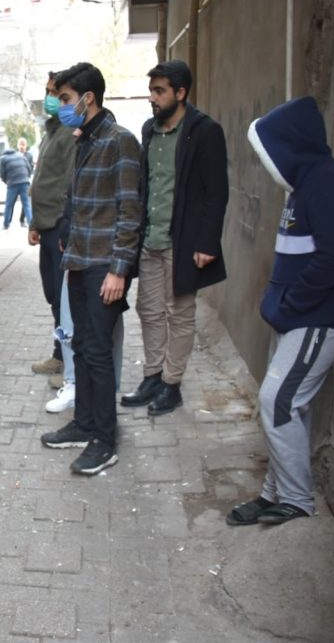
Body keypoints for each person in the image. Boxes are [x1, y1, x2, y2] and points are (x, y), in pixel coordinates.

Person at [227, 97, 334, 527]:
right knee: (284, 404)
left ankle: (297, 500)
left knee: (276, 399)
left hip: (318, 318)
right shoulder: (303, 185)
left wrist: (293, 303)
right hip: (295, 316)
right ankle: (274, 493)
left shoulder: (327, 182)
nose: (266, 163)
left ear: (291, 146)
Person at [39, 63, 142, 475]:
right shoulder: (82, 140)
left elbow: (129, 212)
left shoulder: (121, 142)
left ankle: (105, 438)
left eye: (65, 99)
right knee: (80, 345)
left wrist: (120, 271)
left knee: (98, 352)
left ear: (88, 98)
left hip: (105, 266)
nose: (61, 106)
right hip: (80, 261)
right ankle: (83, 424)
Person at [120, 61, 229, 416]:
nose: (152, 97)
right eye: (151, 90)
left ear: (181, 93)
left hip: (183, 240)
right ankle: (152, 376)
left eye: (159, 90)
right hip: (150, 239)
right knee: (148, 310)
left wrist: (207, 243)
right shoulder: (149, 130)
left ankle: (172, 384)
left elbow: (217, 192)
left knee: (179, 313)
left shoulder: (205, 131)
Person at [29, 72, 74, 379]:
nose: (48, 98)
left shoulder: (70, 131)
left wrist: (62, 224)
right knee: (52, 294)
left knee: (63, 296)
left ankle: (67, 361)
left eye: (54, 93)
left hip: (60, 226)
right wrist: (34, 221)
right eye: (46, 92)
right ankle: (60, 355)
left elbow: (69, 181)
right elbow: (42, 179)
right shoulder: (51, 130)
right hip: (46, 226)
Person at [0, 142, 32, 229]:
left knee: (9, 204)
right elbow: (29, 168)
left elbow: (2, 173)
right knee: (27, 204)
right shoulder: (21, 156)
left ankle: (6, 224)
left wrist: (7, 181)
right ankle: (31, 223)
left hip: (13, 183)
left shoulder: (3, 159)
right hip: (25, 182)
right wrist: (26, 178)